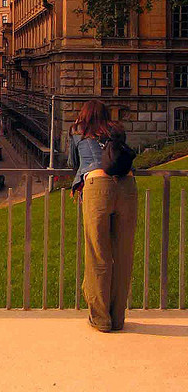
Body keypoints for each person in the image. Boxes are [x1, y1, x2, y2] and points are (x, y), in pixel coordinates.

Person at [68, 99, 137, 333]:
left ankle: (100, 319)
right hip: (127, 186)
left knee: (98, 254)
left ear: (84, 115)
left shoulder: (78, 130)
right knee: (123, 254)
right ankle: (118, 318)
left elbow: (73, 163)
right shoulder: (117, 130)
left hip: (98, 187)